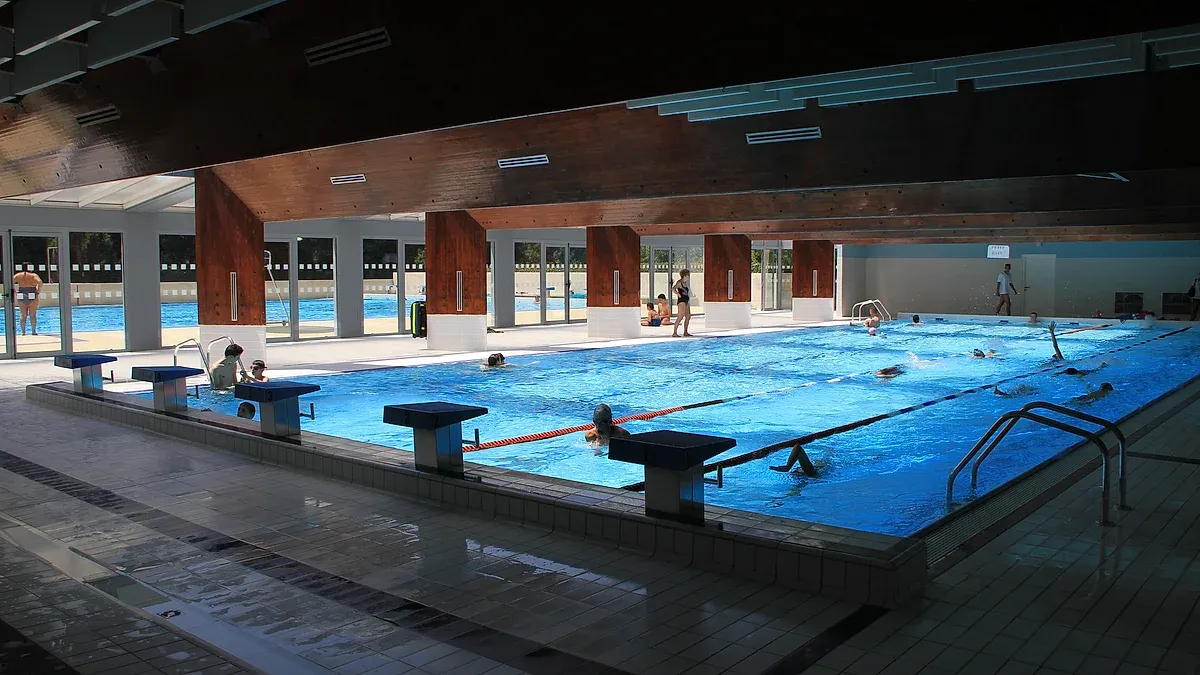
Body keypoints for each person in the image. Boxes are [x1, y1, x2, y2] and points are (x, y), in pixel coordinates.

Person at [12, 267, 43, 336]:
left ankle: (23, 332)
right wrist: (38, 291)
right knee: (32, 314)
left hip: (21, 293)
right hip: (32, 293)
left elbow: (10, 282)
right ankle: (33, 331)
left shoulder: (18, 275)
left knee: (23, 314)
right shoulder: (33, 275)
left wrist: (14, 291)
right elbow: (40, 282)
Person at [671, 269, 693, 337]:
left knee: (688, 316)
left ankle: (685, 332)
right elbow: (673, 288)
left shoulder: (685, 283)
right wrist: (678, 294)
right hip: (681, 301)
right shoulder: (679, 282)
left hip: (686, 300)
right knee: (680, 316)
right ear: (685, 275)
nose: (688, 277)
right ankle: (674, 332)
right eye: (688, 275)